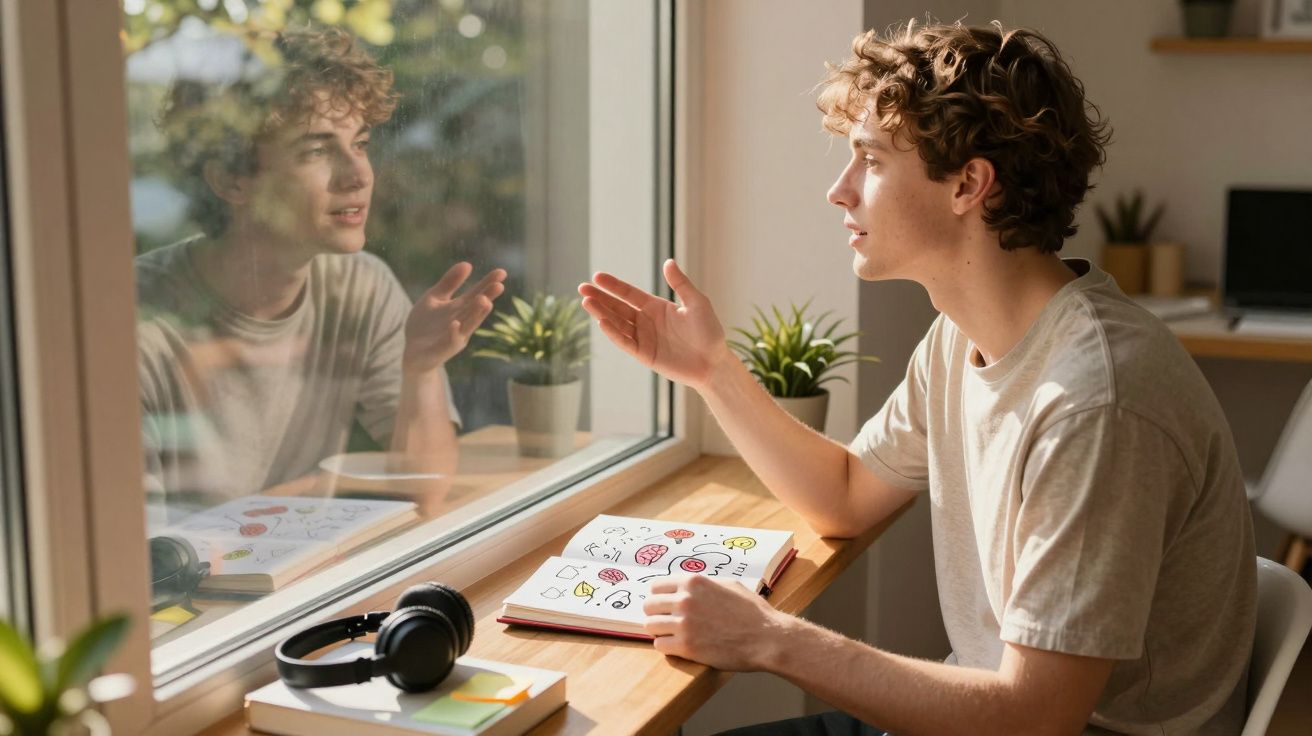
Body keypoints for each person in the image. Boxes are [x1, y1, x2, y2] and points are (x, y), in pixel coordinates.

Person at [579, 21, 1255, 735]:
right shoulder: (961, 339)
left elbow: (1037, 718)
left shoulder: (1095, 401)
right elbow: (844, 497)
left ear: (969, 184)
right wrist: (713, 371)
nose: (839, 192)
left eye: (869, 161)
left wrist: (771, 639)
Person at [139, 27, 505, 522]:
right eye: (316, 151)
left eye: (361, 143)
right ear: (230, 179)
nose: (359, 175)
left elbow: (425, 490)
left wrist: (419, 370)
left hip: (307, 582)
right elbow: (134, 552)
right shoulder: (138, 321)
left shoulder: (361, 286)